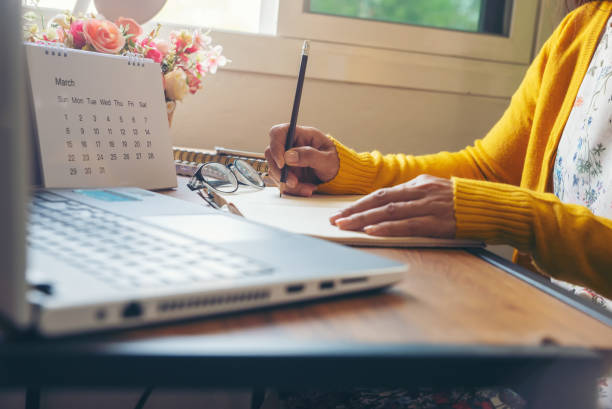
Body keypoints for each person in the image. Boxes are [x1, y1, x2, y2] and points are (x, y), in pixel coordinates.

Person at [263, 1, 612, 407]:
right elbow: (488, 169)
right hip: (553, 345)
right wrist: (347, 171)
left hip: (580, 377)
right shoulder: (584, 30)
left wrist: (520, 216)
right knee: (305, 376)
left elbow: (497, 196)